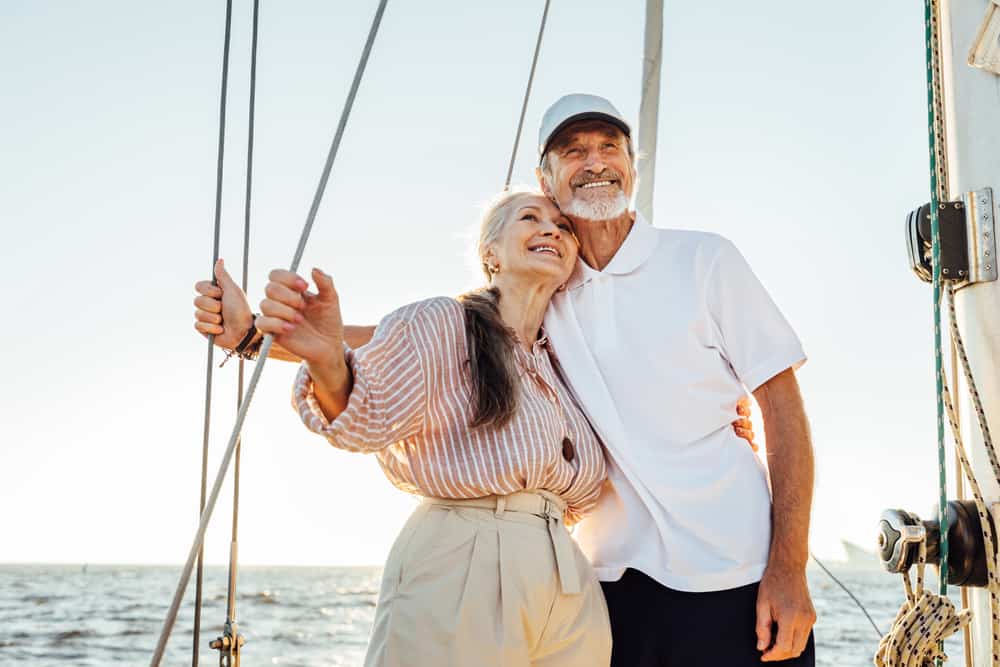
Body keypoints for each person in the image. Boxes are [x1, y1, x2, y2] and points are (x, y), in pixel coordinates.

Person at [532, 94, 817, 666]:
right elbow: (449, 330)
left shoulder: (705, 259)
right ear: (546, 178)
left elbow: (783, 410)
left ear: (633, 166)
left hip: (738, 578)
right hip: (607, 586)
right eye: (574, 151)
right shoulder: (540, 291)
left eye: (610, 147)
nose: (595, 162)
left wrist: (788, 569)